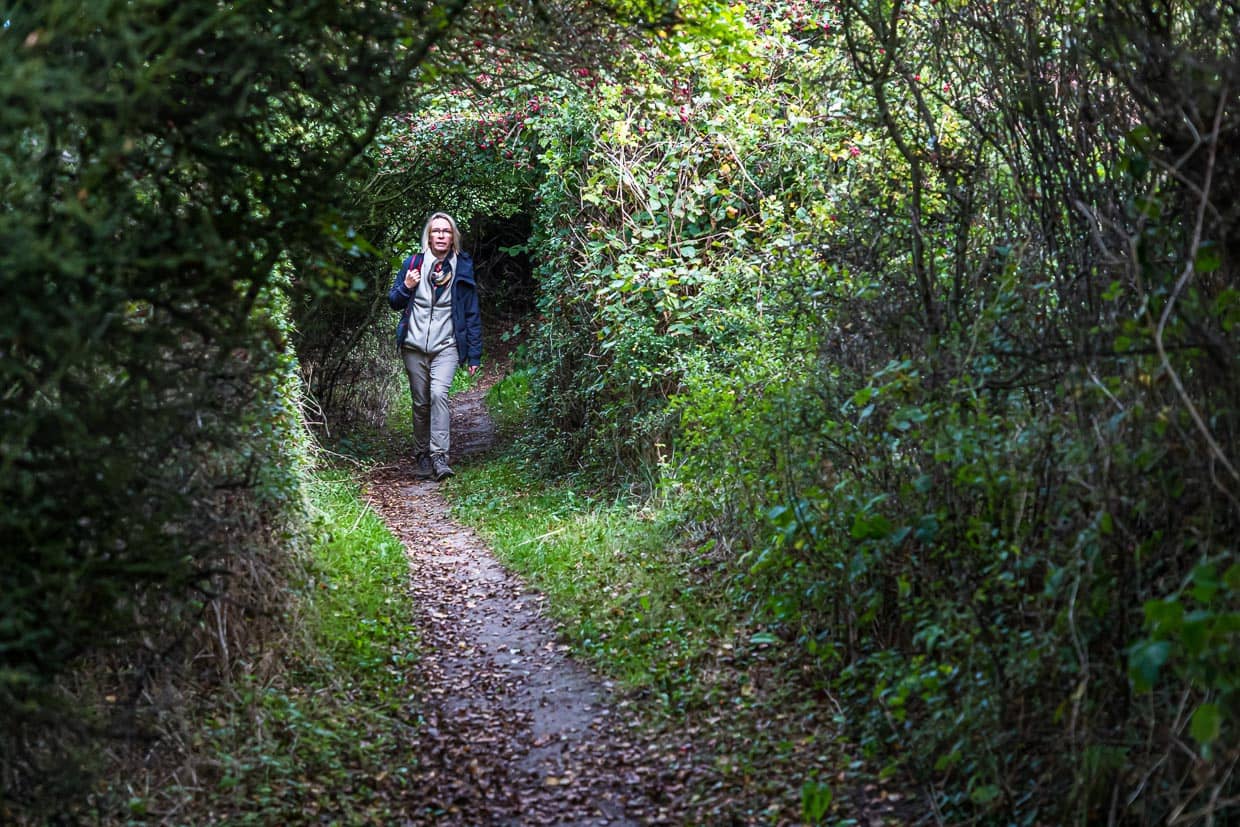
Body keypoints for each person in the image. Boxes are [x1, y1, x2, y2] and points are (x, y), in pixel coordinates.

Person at [388, 212, 482, 480]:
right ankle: (421, 455)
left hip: (447, 345)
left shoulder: (462, 267)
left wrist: (474, 354)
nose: (441, 235)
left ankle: (440, 457)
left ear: (453, 238)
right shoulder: (413, 264)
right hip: (414, 346)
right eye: (436, 231)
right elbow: (394, 301)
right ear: (428, 237)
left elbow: (471, 311)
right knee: (421, 403)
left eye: (446, 231)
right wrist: (407, 286)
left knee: (439, 394)